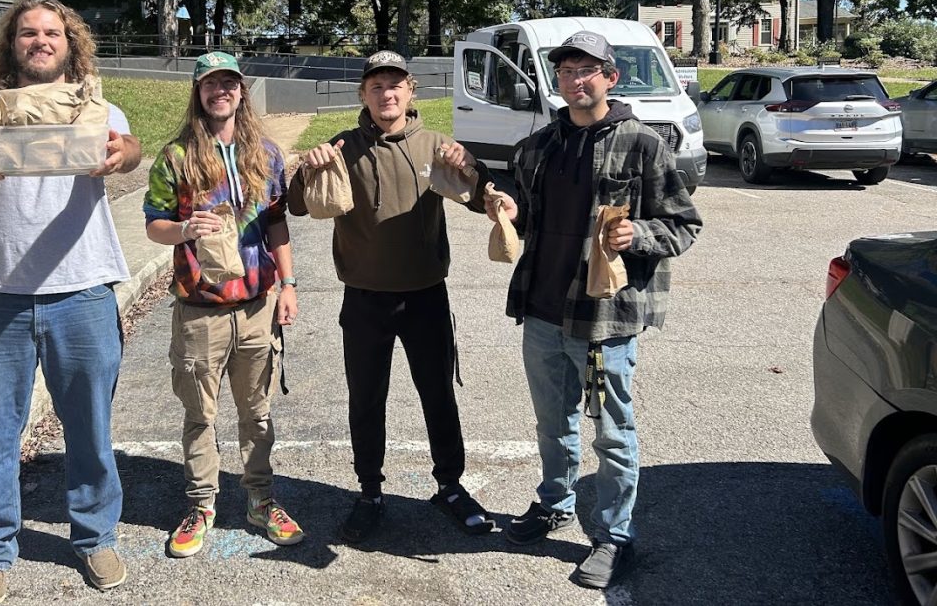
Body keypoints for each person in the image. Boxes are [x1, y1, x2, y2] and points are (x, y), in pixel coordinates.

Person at [0, 0, 143, 606]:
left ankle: (95, 536)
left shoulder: (97, 105)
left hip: (82, 289)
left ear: (69, 42)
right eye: (28, 33)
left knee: (89, 429)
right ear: (12, 44)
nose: (39, 40)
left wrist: (118, 155)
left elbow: (127, 150)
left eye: (51, 32)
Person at [487, 31, 701, 590]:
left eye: (587, 70)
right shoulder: (536, 147)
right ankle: (554, 501)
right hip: (541, 311)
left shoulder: (643, 144)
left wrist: (641, 233)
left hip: (605, 319)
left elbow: (685, 224)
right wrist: (511, 210)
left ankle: (614, 535)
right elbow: (529, 223)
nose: (575, 80)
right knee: (552, 422)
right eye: (565, 71)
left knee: (613, 430)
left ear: (611, 77)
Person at [287, 50, 493, 544]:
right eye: (376, 86)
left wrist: (479, 176)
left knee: (438, 394)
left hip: (425, 295)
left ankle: (449, 486)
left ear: (411, 90)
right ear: (363, 94)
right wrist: (307, 170)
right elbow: (296, 205)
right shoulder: (342, 148)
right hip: (364, 297)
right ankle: (369, 491)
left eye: (395, 84)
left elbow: (481, 191)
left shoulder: (436, 145)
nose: (387, 94)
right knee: (366, 397)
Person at [143, 51, 303, 558]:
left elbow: (277, 221)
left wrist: (289, 284)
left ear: (241, 91)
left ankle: (260, 498)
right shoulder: (176, 157)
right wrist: (186, 228)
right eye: (211, 83)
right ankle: (201, 505)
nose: (221, 91)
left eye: (229, 83)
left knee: (256, 413)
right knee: (200, 415)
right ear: (199, 91)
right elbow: (153, 224)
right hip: (200, 310)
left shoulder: (267, 154)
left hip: (256, 306)